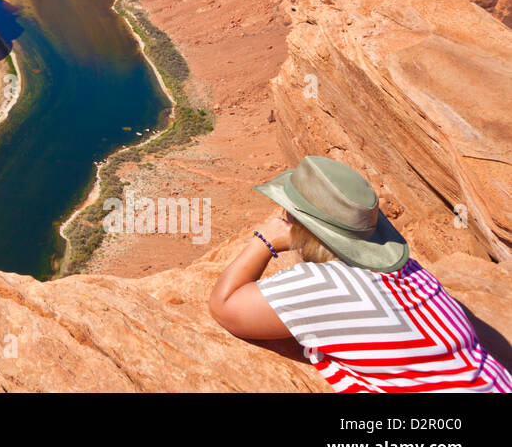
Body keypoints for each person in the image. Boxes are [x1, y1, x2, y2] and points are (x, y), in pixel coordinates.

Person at [209, 154, 511, 392]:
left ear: (301, 226)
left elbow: (225, 307)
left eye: (289, 212)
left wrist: (265, 240)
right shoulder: (409, 270)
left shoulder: (323, 285)